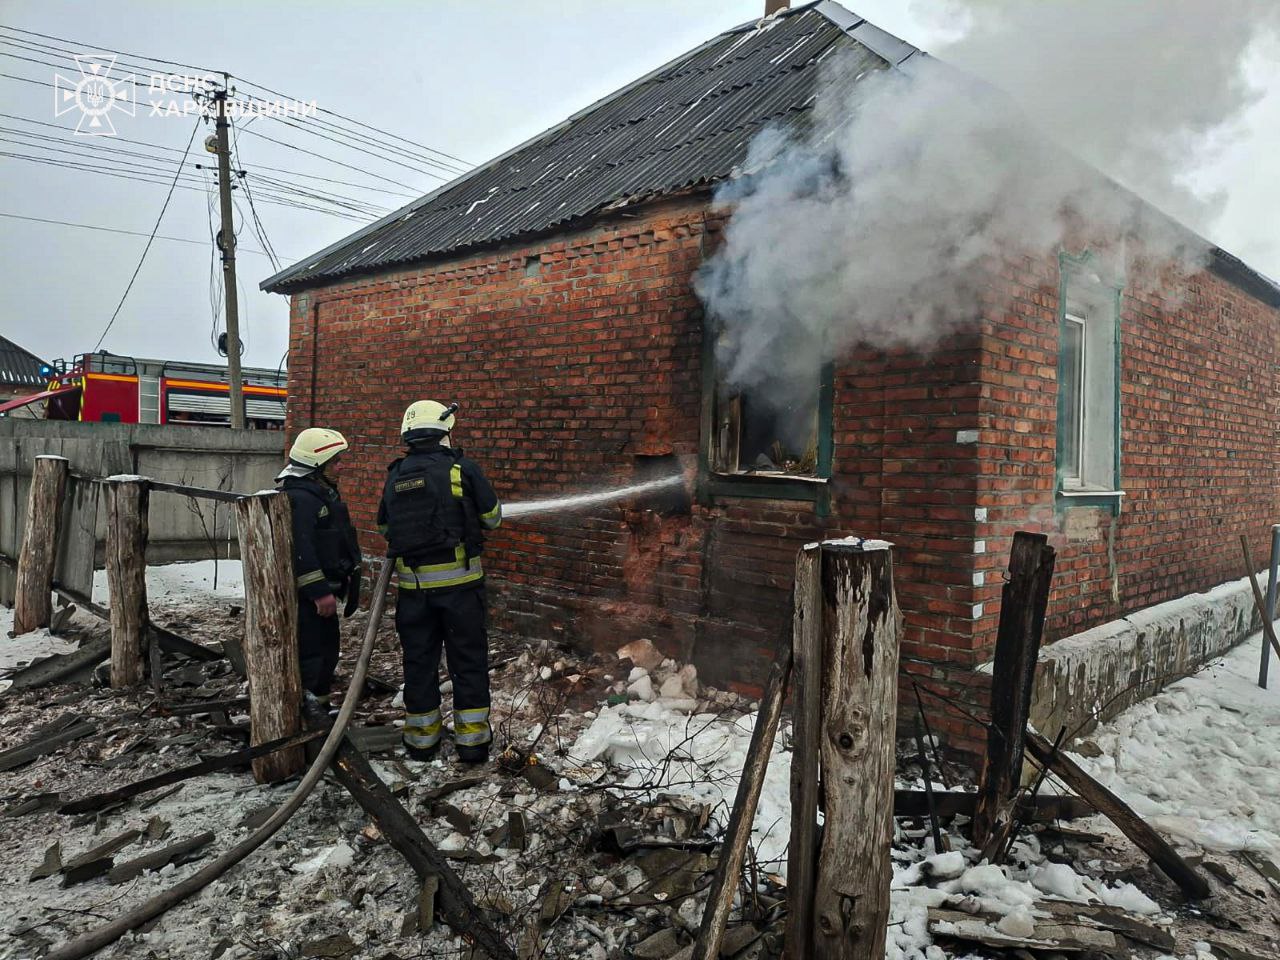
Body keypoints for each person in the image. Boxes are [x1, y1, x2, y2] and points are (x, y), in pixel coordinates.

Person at [378, 400, 502, 763]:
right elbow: (493, 518)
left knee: (418, 663)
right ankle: (472, 743)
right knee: (467, 662)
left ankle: (421, 741)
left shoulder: (395, 474)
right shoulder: (462, 469)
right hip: (461, 590)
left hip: (413, 594)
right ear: (445, 431)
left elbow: (386, 528)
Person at [277, 427, 362, 705]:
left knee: (326, 652)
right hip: (309, 601)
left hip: (322, 594)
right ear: (316, 465)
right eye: (336, 461)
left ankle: (319, 707)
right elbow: (302, 551)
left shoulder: (319, 494)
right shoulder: (301, 500)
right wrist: (319, 592)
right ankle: (310, 714)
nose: (342, 466)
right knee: (314, 655)